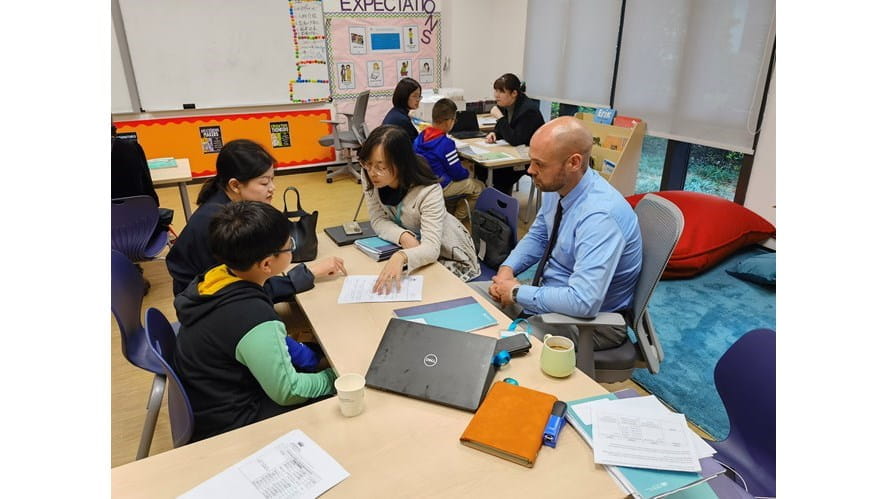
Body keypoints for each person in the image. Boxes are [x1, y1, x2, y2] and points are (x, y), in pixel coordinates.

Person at [477, 117, 642, 374]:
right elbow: (539, 236)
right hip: (550, 297)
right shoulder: (559, 187)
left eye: (539, 164)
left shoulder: (600, 216)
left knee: (503, 351)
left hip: (591, 322)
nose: (530, 170)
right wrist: (507, 269)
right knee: (471, 301)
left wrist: (517, 293)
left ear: (573, 162)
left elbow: (583, 301)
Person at [174, 201, 337, 442]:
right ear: (267, 264)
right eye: (289, 245)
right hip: (234, 424)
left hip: (210, 396)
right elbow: (288, 392)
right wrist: (335, 378)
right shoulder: (254, 320)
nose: (292, 248)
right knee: (348, 401)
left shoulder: (216, 276)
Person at [166, 139, 345, 299]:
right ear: (235, 185)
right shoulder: (223, 224)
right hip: (209, 305)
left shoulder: (228, 208)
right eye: (264, 182)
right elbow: (246, 290)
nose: (272, 188)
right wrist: (310, 273)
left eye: (272, 180)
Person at [359, 125, 480, 292]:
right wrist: (403, 236)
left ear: (401, 164)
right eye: (368, 163)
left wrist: (401, 256)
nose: (372, 172)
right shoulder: (369, 173)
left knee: (421, 293)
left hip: (449, 254)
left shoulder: (428, 190)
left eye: (381, 166)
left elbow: (431, 249)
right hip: (411, 246)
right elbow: (378, 219)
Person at [413, 98, 484, 221]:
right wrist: (468, 171)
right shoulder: (447, 144)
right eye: (454, 120)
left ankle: (449, 214)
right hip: (442, 185)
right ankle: (457, 220)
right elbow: (457, 174)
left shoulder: (420, 137)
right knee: (478, 187)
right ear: (448, 122)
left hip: (423, 183)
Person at [479, 73, 545, 195]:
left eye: (501, 91)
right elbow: (505, 129)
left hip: (528, 158)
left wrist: (499, 118)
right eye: (496, 91)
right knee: (481, 168)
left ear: (514, 93)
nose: (496, 95)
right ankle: (487, 203)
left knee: (500, 175)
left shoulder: (528, 110)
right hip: (514, 153)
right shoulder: (506, 104)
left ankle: (500, 210)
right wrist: (495, 134)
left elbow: (516, 139)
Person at [382, 77, 421, 142]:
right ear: (404, 96)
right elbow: (414, 146)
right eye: (415, 96)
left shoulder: (397, 112)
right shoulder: (401, 120)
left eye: (419, 96)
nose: (418, 100)